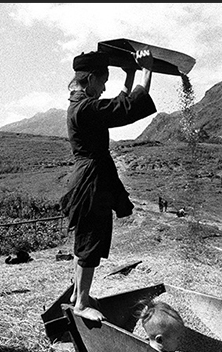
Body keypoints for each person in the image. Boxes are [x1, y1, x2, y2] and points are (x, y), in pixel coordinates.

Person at [59, 49, 157, 321]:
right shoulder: (86, 108)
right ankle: (80, 303)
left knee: (85, 240)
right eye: (101, 82)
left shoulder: (80, 105)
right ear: (89, 79)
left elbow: (114, 107)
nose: (103, 89)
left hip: (87, 178)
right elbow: (126, 110)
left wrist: (130, 73)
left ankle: (79, 293)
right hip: (92, 182)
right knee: (90, 242)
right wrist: (147, 70)